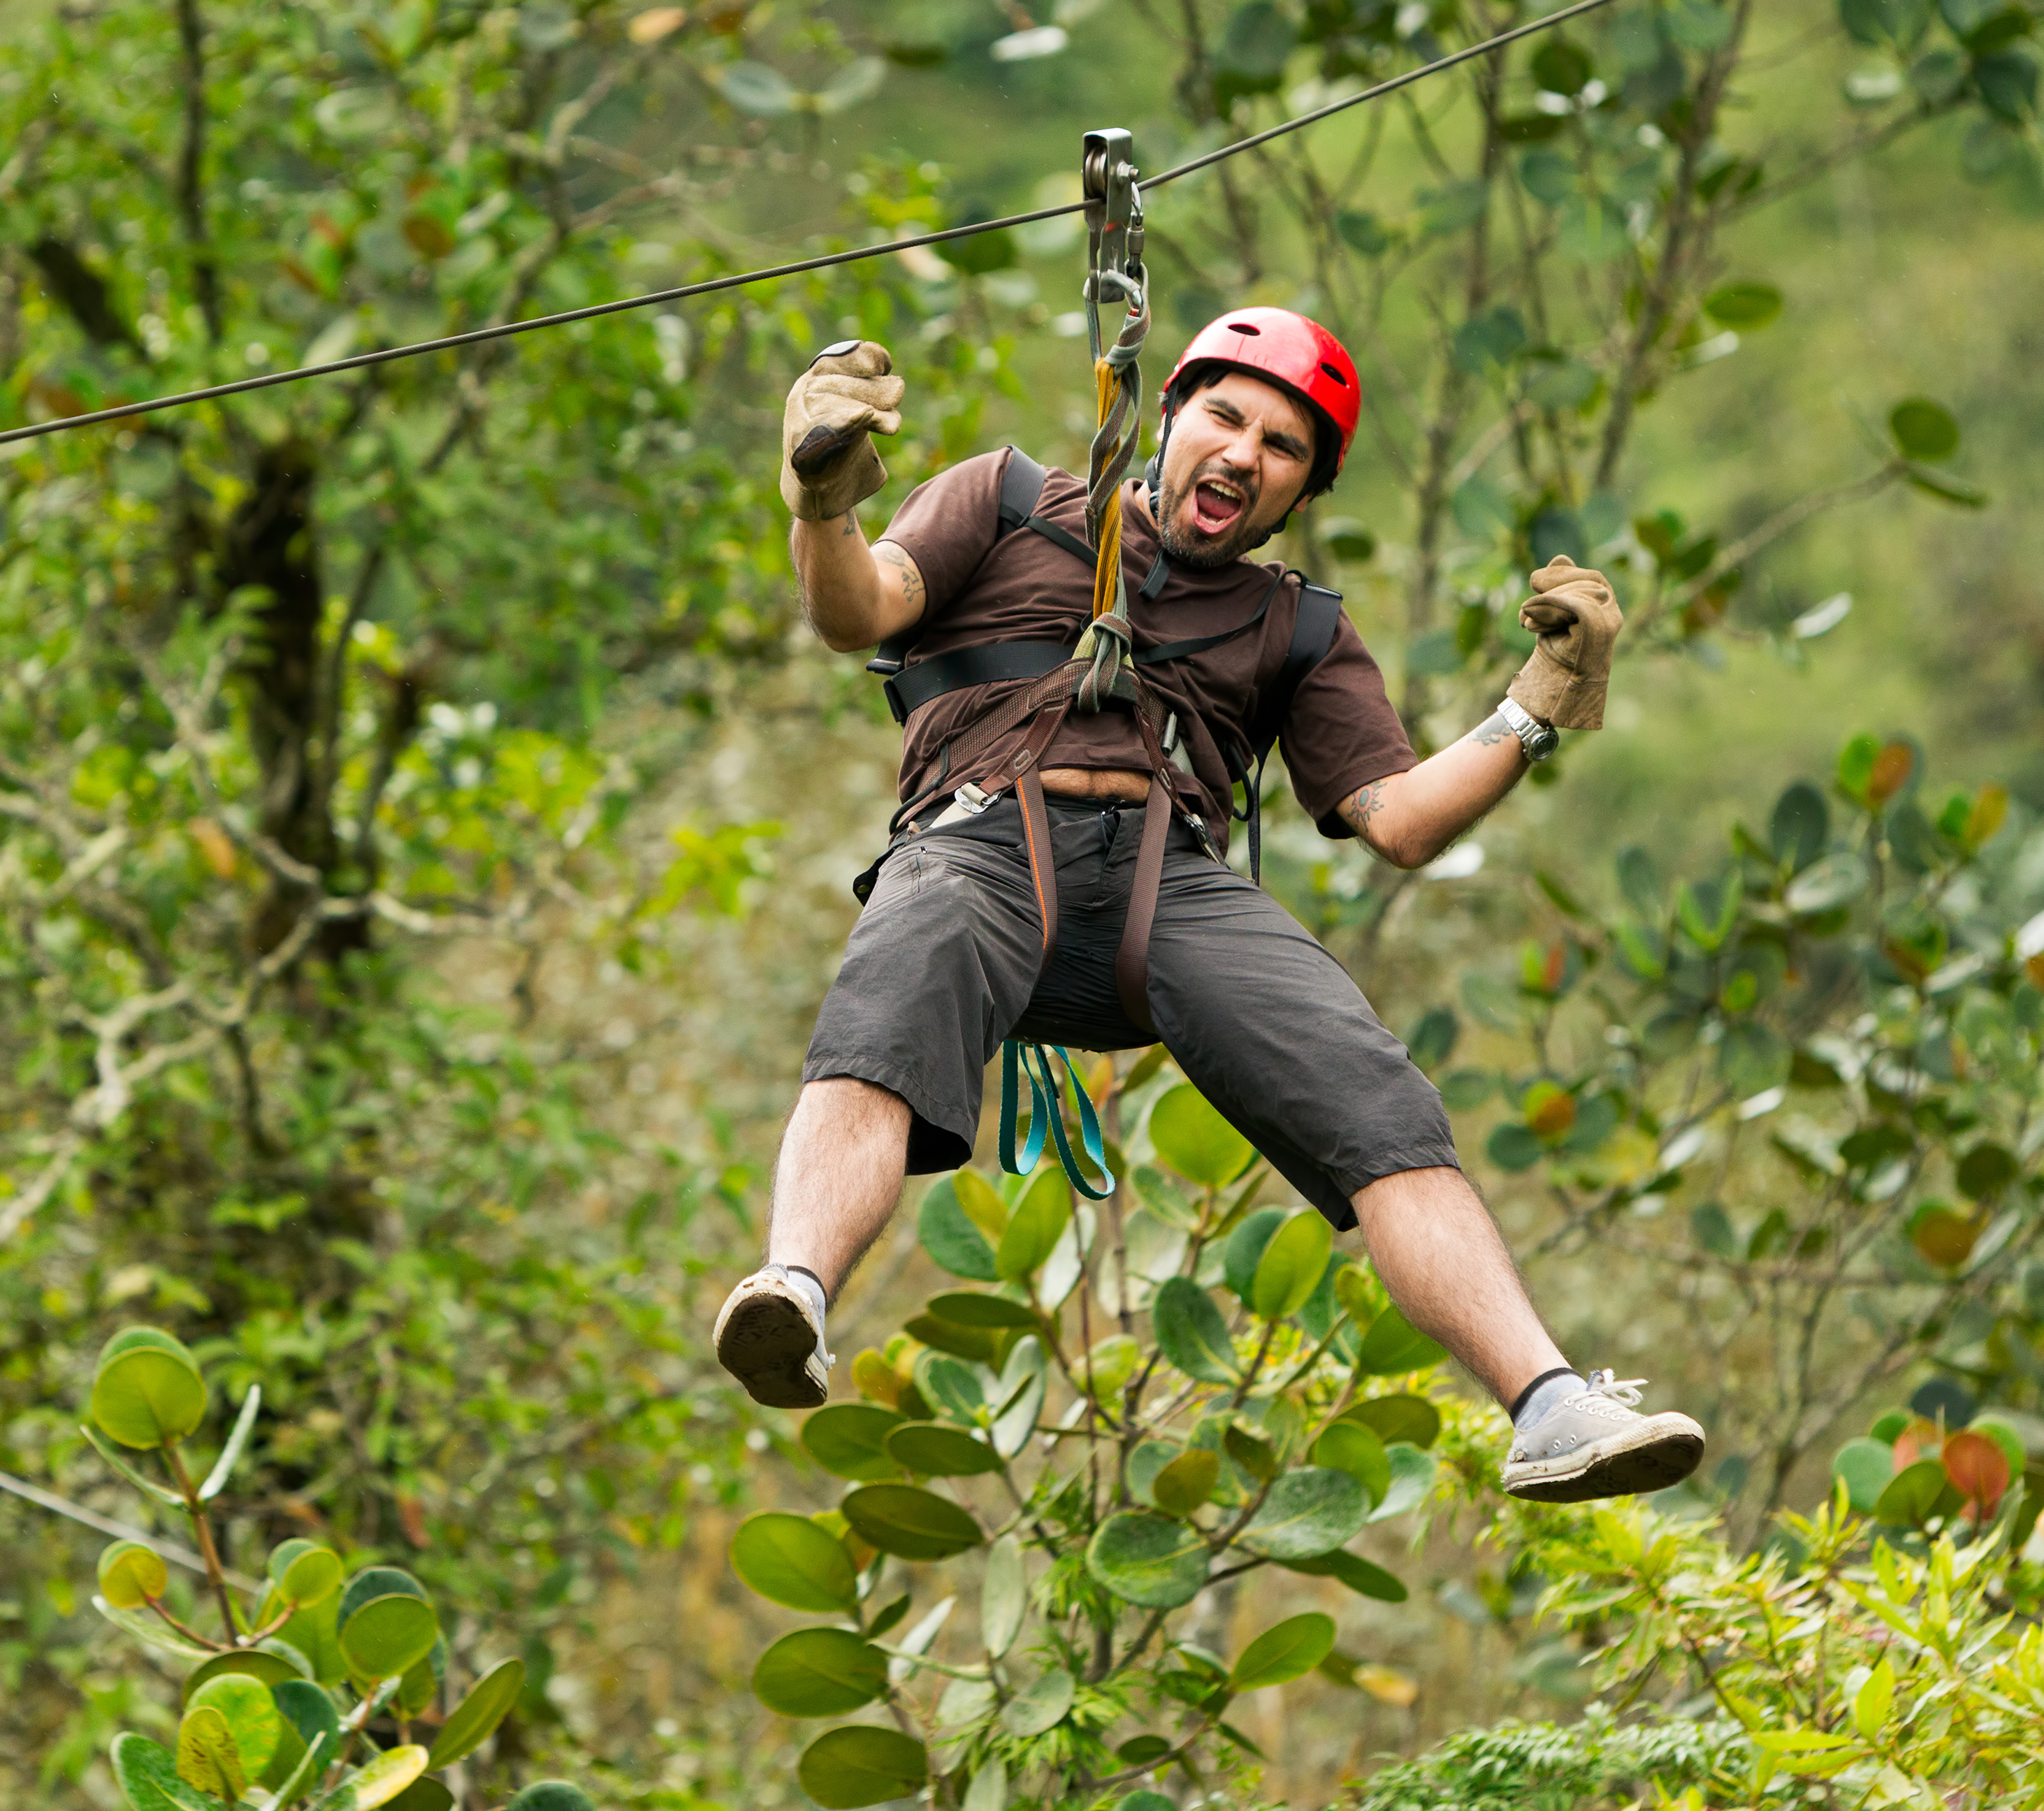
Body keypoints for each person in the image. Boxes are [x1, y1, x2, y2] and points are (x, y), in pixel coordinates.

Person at [709, 309, 1706, 1503]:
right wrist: (824, 503)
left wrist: (1533, 707)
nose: (1243, 453)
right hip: (979, 843)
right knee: (893, 992)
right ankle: (796, 1294)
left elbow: (1399, 821)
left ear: (1298, 493)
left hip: (1165, 888)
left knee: (1377, 1096)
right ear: (1169, 413)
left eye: (1282, 446)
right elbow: (856, 611)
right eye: (1227, 416)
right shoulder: (1009, 500)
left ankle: (1550, 1406)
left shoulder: (1298, 628)